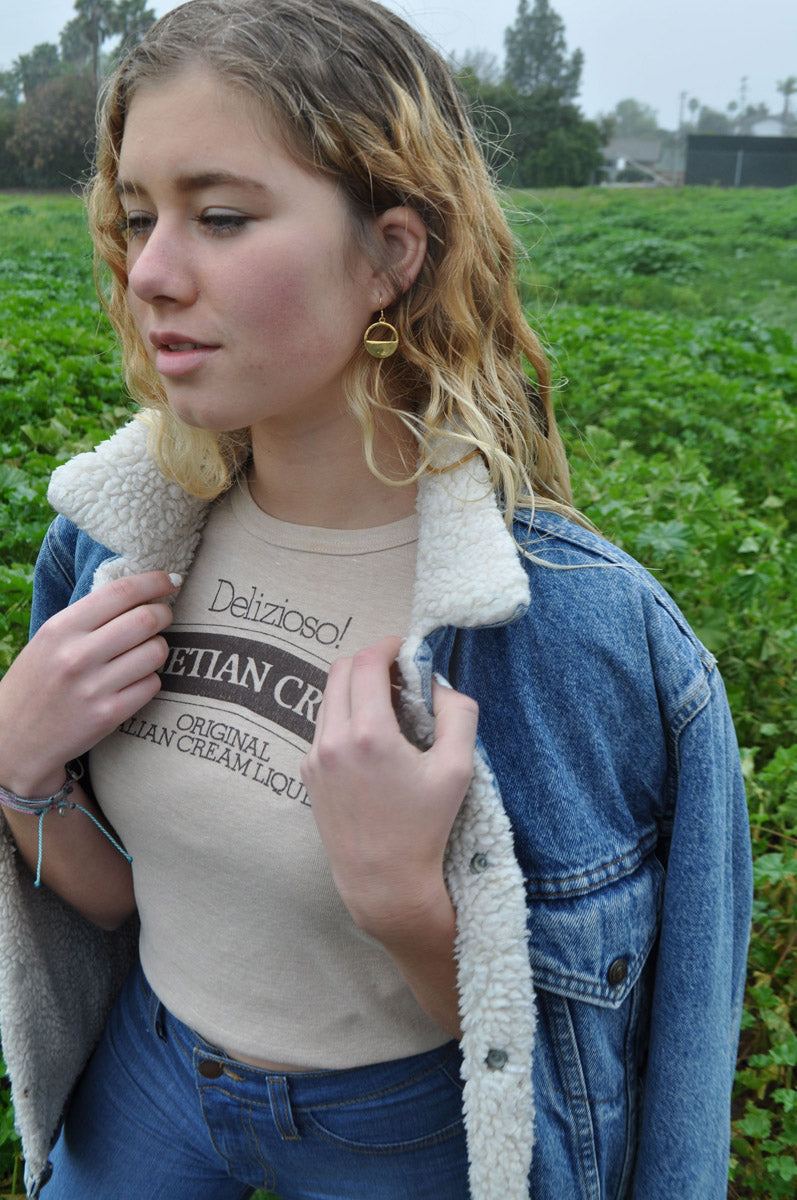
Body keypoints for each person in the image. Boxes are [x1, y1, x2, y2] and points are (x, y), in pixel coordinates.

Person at [0, 2, 752, 1198]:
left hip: (405, 1129)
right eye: (140, 217)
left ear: (391, 254)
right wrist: (21, 774)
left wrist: (403, 903)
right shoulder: (106, 540)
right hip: (148, 1081)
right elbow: (129, 899)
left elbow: (610, 1061)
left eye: (222, 215)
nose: (148, 270)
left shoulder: (578, 638)